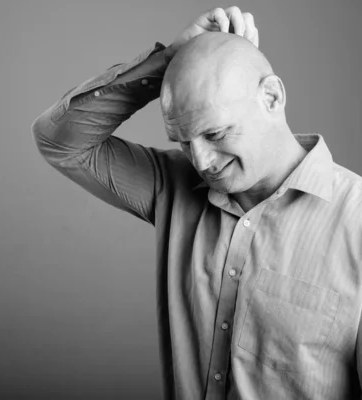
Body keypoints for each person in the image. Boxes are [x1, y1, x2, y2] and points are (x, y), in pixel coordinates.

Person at [31, 6, 362, 400]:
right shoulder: (172, 186)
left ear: (272, 98)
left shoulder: (356, 222)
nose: (202, 162)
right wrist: (168, 61)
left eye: (216, 133)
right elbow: (60, 140)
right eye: (184, 142)